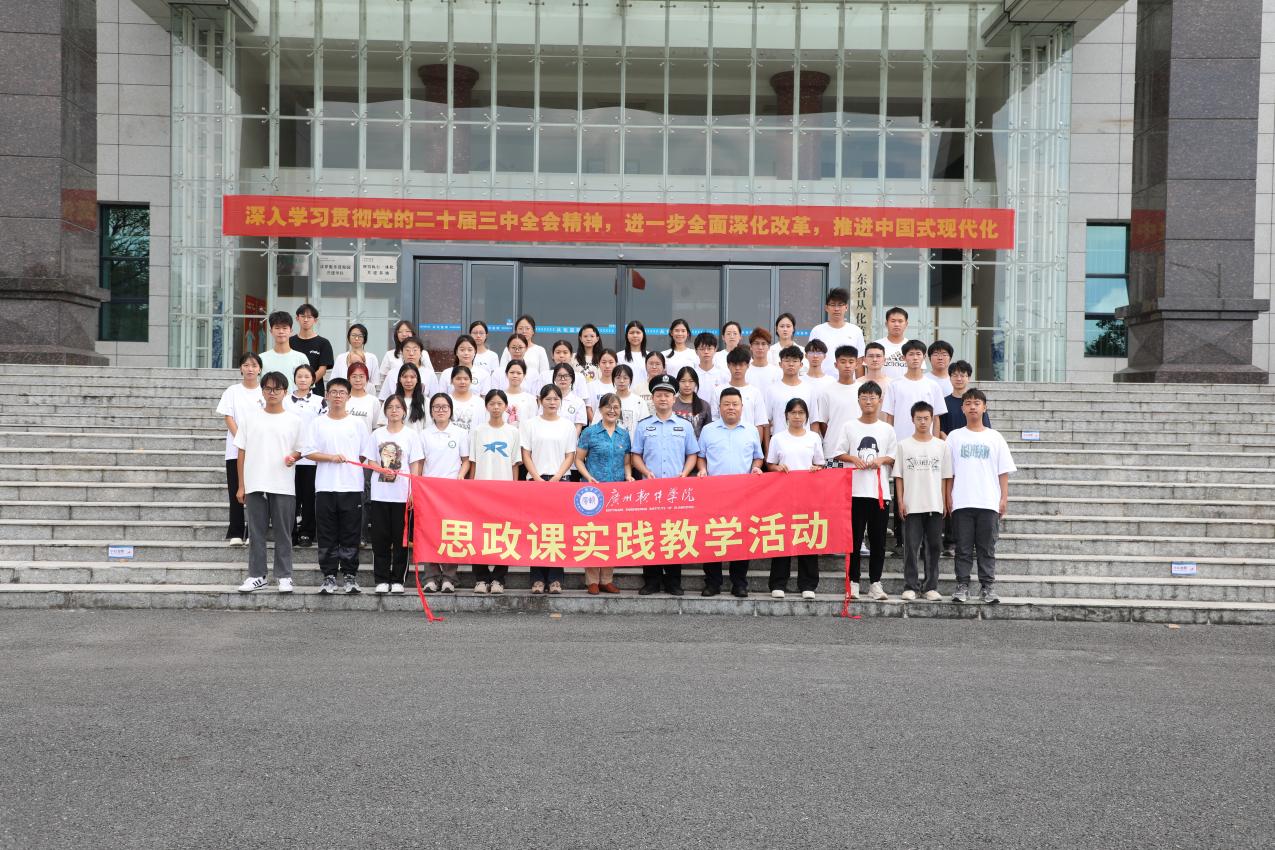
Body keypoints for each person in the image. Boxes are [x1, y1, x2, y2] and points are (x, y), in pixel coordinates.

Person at [234, 370, 305, 593]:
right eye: (267, 388)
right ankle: (257, 576)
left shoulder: (294, 420)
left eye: (277, 389)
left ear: (285, 392)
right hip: (255, 482)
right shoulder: (250, 418)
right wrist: (241, 485)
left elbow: (300, 449)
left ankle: (284, 576)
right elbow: (241, 452)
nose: (272, 392)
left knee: (284, 532)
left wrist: (294, 457)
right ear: (262, 391)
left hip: (283, 483)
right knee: (256, 532)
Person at [944, 389, 1016, 605]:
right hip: (962, 501)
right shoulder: (954, 437)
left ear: (985, 407)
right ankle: (962, 586)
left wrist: (1003, 498)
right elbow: (949, 472)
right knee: (963, 548)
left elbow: (1003, 472)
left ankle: (987, 587)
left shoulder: (995, 437)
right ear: (962, 408)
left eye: (977, 403)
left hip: (988, 501)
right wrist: (948, 496)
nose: (973, 406)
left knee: (987, 548)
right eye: (968, 403)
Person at [630, 375, 699, 595]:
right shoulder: (643, 426)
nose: (663, 398)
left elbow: (692, 454)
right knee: (649, 534)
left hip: (675, 491)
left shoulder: (684, 425)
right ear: (652, 398)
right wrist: (645, 471)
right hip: (649, 490)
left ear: (673, 399)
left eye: (667, 395)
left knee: (674, 533)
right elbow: (635, 455)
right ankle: (651, 580)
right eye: (659, 395)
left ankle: (673, 581)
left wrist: (685, 473)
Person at [695, 387, 764, 597]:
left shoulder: (751, 430)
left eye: (735, 404)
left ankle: (739, 583)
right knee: (713, 536)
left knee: (741, 538)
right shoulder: (708, 430)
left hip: (743, 494)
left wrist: (756, 467)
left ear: (742, 407)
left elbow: (758, 457)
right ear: (720, 407)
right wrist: (702, 469)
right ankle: (713, 583)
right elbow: (701, 457)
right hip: (714, 493)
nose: (731, 408)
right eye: (726, 404)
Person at [832, 381, 897, 602]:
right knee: (854, 540)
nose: (868, 401)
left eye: (873, 397)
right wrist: (853, 458)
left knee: (878, 541)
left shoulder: (887, 429)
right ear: (858, 400)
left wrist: (881, 459)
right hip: (854, 492)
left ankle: (875, 583)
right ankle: (853, 582)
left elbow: (893, 456)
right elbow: (838, 452)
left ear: (880, 400)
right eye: (864, 397)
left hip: (879, 493)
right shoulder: (849, 426)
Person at [880, 340, 948, 547]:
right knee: (901, 490)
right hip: (902, 446)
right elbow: (889, 417)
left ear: (924, 357)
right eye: (911, 354)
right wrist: (890, 447)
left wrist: (936, 444)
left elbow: (936, 417)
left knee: (927, 488)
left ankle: (928, 539)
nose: (915, 358)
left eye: (919, 354)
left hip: (928, 447)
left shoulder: (932, 386)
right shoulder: (895, 385)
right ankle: (901, 541)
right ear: (904, 358)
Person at [304, 378, 367, 594]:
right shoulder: (317, 423)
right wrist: (330, 458)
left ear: (349, 396)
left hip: (351, 486)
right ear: (327, 395)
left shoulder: (358, 424)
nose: (337, 396)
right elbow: (308, 452)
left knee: (351, 533)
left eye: (342, 392)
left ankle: (350, 576)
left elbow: (363, 454)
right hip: (325, 486)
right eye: (333, 392)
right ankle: (329, 576)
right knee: (327, 533)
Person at [520, 385, 579, 595]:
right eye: (548, 399)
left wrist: (557, 477)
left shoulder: (567, 425)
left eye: (556, 399)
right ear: (540, 401)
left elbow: (570, 455)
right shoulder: (529, 425)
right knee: (536, 531)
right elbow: (526, 454)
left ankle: (555, 579)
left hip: (560, 482)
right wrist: (537, 477)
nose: (552, 402)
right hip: (535, 482)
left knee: (557, 531)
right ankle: (537, 579)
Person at [765, 398, 826, 599]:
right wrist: (777, 468)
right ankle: (778, 583)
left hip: (808, 496)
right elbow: (770, 465)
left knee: (807, 536)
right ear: (786, 415)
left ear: (806, 416)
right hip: (783, 496)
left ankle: (808, 584)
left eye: (801, 413)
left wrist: (816, 468)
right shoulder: (778, 438)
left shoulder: (814, 438)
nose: (797, 416)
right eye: (793, 413)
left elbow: (820, 464)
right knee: (781, 537)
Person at [363, 395, 424, 595]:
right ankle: (381, 578)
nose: (394, 410)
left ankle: (398, 579)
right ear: (385, 411)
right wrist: (381, 470)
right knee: (380, 538)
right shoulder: (377, 434)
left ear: (404, 411)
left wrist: (413, 490)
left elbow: (415, 464)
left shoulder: (411, 435)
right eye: (390, 407)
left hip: (402, 495)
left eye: (398, 407)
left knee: (401, 539)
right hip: (380, 494)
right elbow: (370, 460)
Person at [894, 401, 950, 602]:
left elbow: (946, 477)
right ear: (912, 420)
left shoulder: (941, 446)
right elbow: (899, 476)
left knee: (934, 547)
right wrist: (900, 501)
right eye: (919, 418)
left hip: (935, 504)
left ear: (932, 419)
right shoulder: (903, 445)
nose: (923, 422)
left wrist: (944, 501)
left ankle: (930, 587)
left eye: (926, 418)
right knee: (911, 547)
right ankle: (910, 586)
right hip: (912, 504)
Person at [576, 392, 632, 594]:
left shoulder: (624, 434)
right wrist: (588, 477)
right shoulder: (590, 433)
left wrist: (628, 476)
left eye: (616, 407)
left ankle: (607, 579)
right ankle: (592, 580)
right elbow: (578, 459)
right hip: (593, 493)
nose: (612, 410)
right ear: (600, 409)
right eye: (608, 406)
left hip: (616, 492)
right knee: (593, 533)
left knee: (612, 535)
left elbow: (627, 462)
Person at [470, 389, 521, 594]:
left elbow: (515, 464)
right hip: (481, 489)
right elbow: (473, 462)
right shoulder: (478, 431)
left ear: (506, 406)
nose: (496, 407)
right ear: (486, 406)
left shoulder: (513, 432)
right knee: (479, 534)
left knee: (504, 534)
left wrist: (514, 489)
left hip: (504, 490)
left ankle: (499, 578)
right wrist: (472, 487)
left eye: (500, 403)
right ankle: (481, 578)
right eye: (492, 403)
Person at [419, 393, 471, 592]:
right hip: (429, 491)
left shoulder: (460, 433)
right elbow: (420, 462)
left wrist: (460, 476)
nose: (440, 410)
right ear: (431, 411)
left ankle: (449, 577)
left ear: (451, 410)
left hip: (451, 490)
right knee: (430, 534)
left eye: (444, 407)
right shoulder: (424, 434)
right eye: (436, 407)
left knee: (451, 533)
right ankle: (431, 577)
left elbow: (466, 460)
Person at [217, 352, 264, 545]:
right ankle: (236, 531)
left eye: (254, 365)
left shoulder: (265, 391)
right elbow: (228, 417)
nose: (250, 369)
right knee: (236, 489)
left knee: (257, 491)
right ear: (240, 369)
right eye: (246, 365)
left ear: (260, 369)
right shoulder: (232, 391)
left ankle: (254, 531)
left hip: (260, 448)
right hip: (235, 448)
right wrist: (242, 438)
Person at [285, 363, 324, 547]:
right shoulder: (284, 400)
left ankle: (307, 532)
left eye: (307, 376)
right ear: (294, 379)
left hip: (311, 457)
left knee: (309, 497)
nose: (302, 379)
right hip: (289, 457)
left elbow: (323, 428)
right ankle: (290, 532)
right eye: (299, 376)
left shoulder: (320, 401)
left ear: (313, 380)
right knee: (291, 497)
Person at [764, 345, 816, 453]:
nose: (791, 364)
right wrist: (768, 451)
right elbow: (766, 422)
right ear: (780, 364)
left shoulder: (809, 389)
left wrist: (815, 448)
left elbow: (814, 421)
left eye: (795, 361)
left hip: (805, 448)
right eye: (787, 361)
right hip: (779, 447)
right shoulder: (771, 390)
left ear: (801, 365)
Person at [810, 344, 859, 457]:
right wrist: (832, 439)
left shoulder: (863, 390)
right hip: (833, 451)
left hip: (858, 450)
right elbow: (823, 423)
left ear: (857, 364)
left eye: (851, 362)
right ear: (836, 365)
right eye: (843, 362)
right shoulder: (826, 392)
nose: (847, 365)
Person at [718, 345, 770, 446]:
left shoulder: (755, 392)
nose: (737, 368)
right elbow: (715, 420)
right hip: (723, 444)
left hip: (748, 444)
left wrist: (756, 449)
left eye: (741, 365)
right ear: (728, 365)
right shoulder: (718, 391)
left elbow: (759, 424)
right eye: (734, 365)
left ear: (747, 366)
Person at [807, 288, 865, 375]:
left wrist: (859, 382)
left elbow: (859, 361)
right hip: (822, 380)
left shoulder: (856, 331)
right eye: (833, 305)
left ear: (846, 307)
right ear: (826, 308)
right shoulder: (817, 331)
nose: (836, 309)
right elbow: (811, 358)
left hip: (848, 381)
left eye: (840, 305)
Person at [258, 311, 311, 392]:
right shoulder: (261, 358)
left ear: (291, 331)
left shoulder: (301, 358)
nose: (281, 331)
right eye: (277, 328)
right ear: (271, 331)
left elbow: (308, 388)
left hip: (295, 400)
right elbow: (257, 386)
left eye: (284, 328)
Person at [290, 303, 336, 394]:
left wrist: (307, 383)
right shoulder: (290, 341)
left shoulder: (323, 343)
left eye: (309, 317)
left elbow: (322, 370)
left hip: (316, 391)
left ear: (315, 320)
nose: (306, 320)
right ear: (297, 318)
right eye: (303, 316)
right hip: (292, 389)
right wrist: (297, 384)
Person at [939, 360, 990, 437]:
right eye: (955, 375)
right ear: (950, 378)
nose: (959, 379)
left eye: (962, 375)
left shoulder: (976, 402)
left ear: (968, 378)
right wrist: (950, 442)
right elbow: (941, 429)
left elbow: (985, 427)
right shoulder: (944, 402)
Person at [332, 323, 380, 391]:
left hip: (365, 395)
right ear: (349, 337)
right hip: (343, 395)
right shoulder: (340, 358)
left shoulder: (372, 358)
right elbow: (334, 381)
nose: (356, 338)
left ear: (365, 338)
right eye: (353, 335)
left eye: (360, 336)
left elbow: (374, 383)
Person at [379, 335, 426, 401]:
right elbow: (383, 399)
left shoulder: (430, 374)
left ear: (421, 353)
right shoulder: (392, 373)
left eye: (415, 350)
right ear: (402, 353)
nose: (411, 353)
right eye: (407, 350)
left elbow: (435, 400)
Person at [613, 364, 650, 441]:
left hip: (633, 445)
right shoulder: (607, 400)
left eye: (625, 378)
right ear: (613, 380)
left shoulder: (639, 401)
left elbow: (645, 427)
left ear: (630, 380)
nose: (621, 381)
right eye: (618, 377)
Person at [446, 364, 487, 434]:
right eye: (458, 379)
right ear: (451, 381)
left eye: (466, 379)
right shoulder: (445, 401)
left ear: (471, 381)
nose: (462, 382)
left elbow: (482, 426)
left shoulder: (479, 402)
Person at [549, 362, 590, 432]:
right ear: (554, 378)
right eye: (559, 375)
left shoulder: (579, 402)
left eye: (566, 376)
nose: (563, 379)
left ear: (572, 379)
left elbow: (578, 427)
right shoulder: (547, 399)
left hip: (570, 438)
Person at [672, 366, 712, 437]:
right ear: (677, 383)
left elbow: (708, 432)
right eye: (683, 381)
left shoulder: (704, 405)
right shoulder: (671, 403)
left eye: (691, 381)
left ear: (696, 383)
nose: (687, 385)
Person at [692, 331, 728, 407]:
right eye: (702, 349)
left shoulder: (723, 375)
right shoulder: (692, 374)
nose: (706, 352)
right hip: (696, 412)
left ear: (715, 349)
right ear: (696, 351)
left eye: (709, 348)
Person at [377, 319, 415, 390]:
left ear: (413, 333)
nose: (404, 334)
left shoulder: (422, 353)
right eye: (400, 332)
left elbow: (429, 375)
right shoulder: (389, 354)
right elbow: (382, 377)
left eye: (407, 331)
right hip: (394, 393)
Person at [875, 307, 911, 380]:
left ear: (906, 324)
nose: (896, 324)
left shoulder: (912, 347)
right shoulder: (875, 345)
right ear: (886, 323)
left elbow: (918, 372)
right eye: (893, 321)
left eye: (900, 321)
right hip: (880, 386)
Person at [501, 359, 538, 428]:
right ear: (506, 374)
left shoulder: (531, 399)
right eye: (512, 372)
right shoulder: (499, 397)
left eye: (519, 373)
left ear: (524, 375)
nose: (515, 376)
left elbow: (533, 423)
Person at [392, 362, 429, 430]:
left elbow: (428, 427)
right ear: (400, 379)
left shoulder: (425, 401)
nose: (408, 380)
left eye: (412, 377)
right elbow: (384, 425)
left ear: (417, 379)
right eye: (405, 377)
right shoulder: (392, 400)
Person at [344, 362, 380, 432]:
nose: (358, 380)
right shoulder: (342, 399)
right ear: (348, 379)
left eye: (361, 376)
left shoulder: (373, 401)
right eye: (354, 376)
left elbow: (376, 428)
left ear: (367, 379)